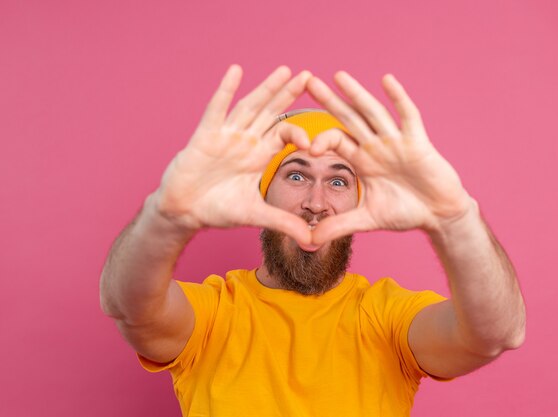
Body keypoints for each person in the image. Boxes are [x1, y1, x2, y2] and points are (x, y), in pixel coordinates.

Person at [99, 65, 526, 417]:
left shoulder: (388, 317)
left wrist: (454, 218)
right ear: (263, 190)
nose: (316, 203)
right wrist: (166, 215)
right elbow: (128, 306)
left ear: (360, 198)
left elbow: (496, 334)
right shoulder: (213, 314)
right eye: (297, 175)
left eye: (338, 180)